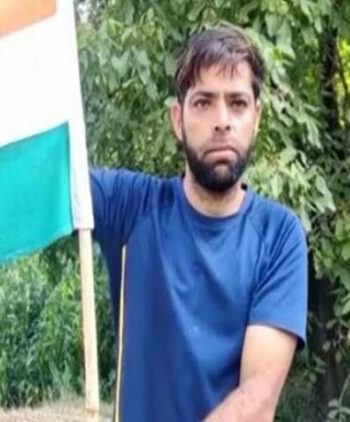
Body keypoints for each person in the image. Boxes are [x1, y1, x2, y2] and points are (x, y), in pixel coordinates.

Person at [90, 25, 308, 421]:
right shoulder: (128, 208)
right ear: (178, 119)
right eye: (204, 102)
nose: (222, 121)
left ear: (256, 117)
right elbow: (43, 185)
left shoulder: (278, 236)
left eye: (237, 103)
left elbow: (257, 402)